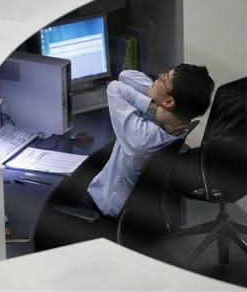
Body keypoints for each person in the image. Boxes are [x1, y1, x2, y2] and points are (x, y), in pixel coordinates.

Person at [85, 64, 215, 218]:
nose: (159, 75)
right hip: (136, 208)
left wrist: (155, 111)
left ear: (168, 102)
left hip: (106, 205)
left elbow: (115, 88)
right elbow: (126, 75)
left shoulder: (143, 135)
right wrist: (156, 108)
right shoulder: (181, 125)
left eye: (163, 78)